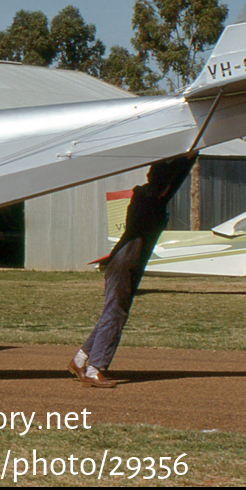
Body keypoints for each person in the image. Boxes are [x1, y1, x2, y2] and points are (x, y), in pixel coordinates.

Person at [70, 153, 197, 388]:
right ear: (160, 184)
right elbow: (168, 182)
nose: (168, 189)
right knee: (116, 313)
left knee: (113, 311)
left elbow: (172, 180)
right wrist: (185, 159)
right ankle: (94, 368)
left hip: (128, 262)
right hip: (124, 263)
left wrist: (190, 156)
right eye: (165, 185)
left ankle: (80, 360)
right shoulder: (148, 200)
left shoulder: (149, 196)